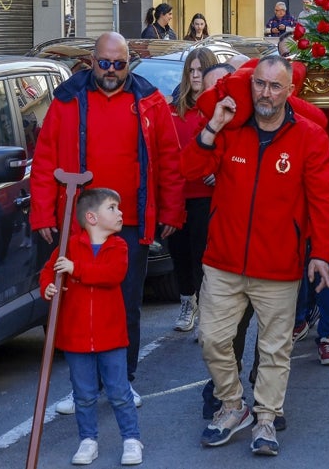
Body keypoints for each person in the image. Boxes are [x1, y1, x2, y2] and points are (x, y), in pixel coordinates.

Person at [184, 55, 329, 455]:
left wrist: (320, 253)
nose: (265, 93)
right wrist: (212, 126)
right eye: (259, 84)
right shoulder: (230, 130)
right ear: (250, 85)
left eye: (274, 86)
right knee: (213, 341)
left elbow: (322, 200)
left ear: (289, 91)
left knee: (274, 350)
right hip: (223, 260)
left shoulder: (309, 136)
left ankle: (266, 418)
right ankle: (234, 406)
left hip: (279, 264)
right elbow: (189, 169)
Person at [31, 32, 184, 413]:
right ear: (92, 61)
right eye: (105, 63)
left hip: (128, 223)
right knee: (76, 306)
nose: (112, 71)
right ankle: (83, 384)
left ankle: (122, 381)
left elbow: (169, 159)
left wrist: (170, 210)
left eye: (120, 64)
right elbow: (45, 159)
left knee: (125, 305)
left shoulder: (150, 101)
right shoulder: (67, 100)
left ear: (128, 62)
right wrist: (43, 213)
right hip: (78, 222)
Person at [41, 189, 143, 467]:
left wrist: (76, 269)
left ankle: (131, 439)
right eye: (112, 208)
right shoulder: (68, 245)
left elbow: (112, 275)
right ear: (91, 217)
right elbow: (49, 269)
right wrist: (47, 287)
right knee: (83, 395)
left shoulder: (118, 247)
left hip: (111, 336)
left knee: (120, 392)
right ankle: (88, 440)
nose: (120, 213)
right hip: (75, 337)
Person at [168, 46, 219, 333]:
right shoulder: (174, 110)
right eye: (192, 70)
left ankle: (206, 311)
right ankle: (188, 301)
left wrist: (217, 171)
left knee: (203, 255)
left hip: (207, 197)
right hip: (178, 194)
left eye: (201, 70)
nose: (196, 75)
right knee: (179, 252)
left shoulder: (220, 110)